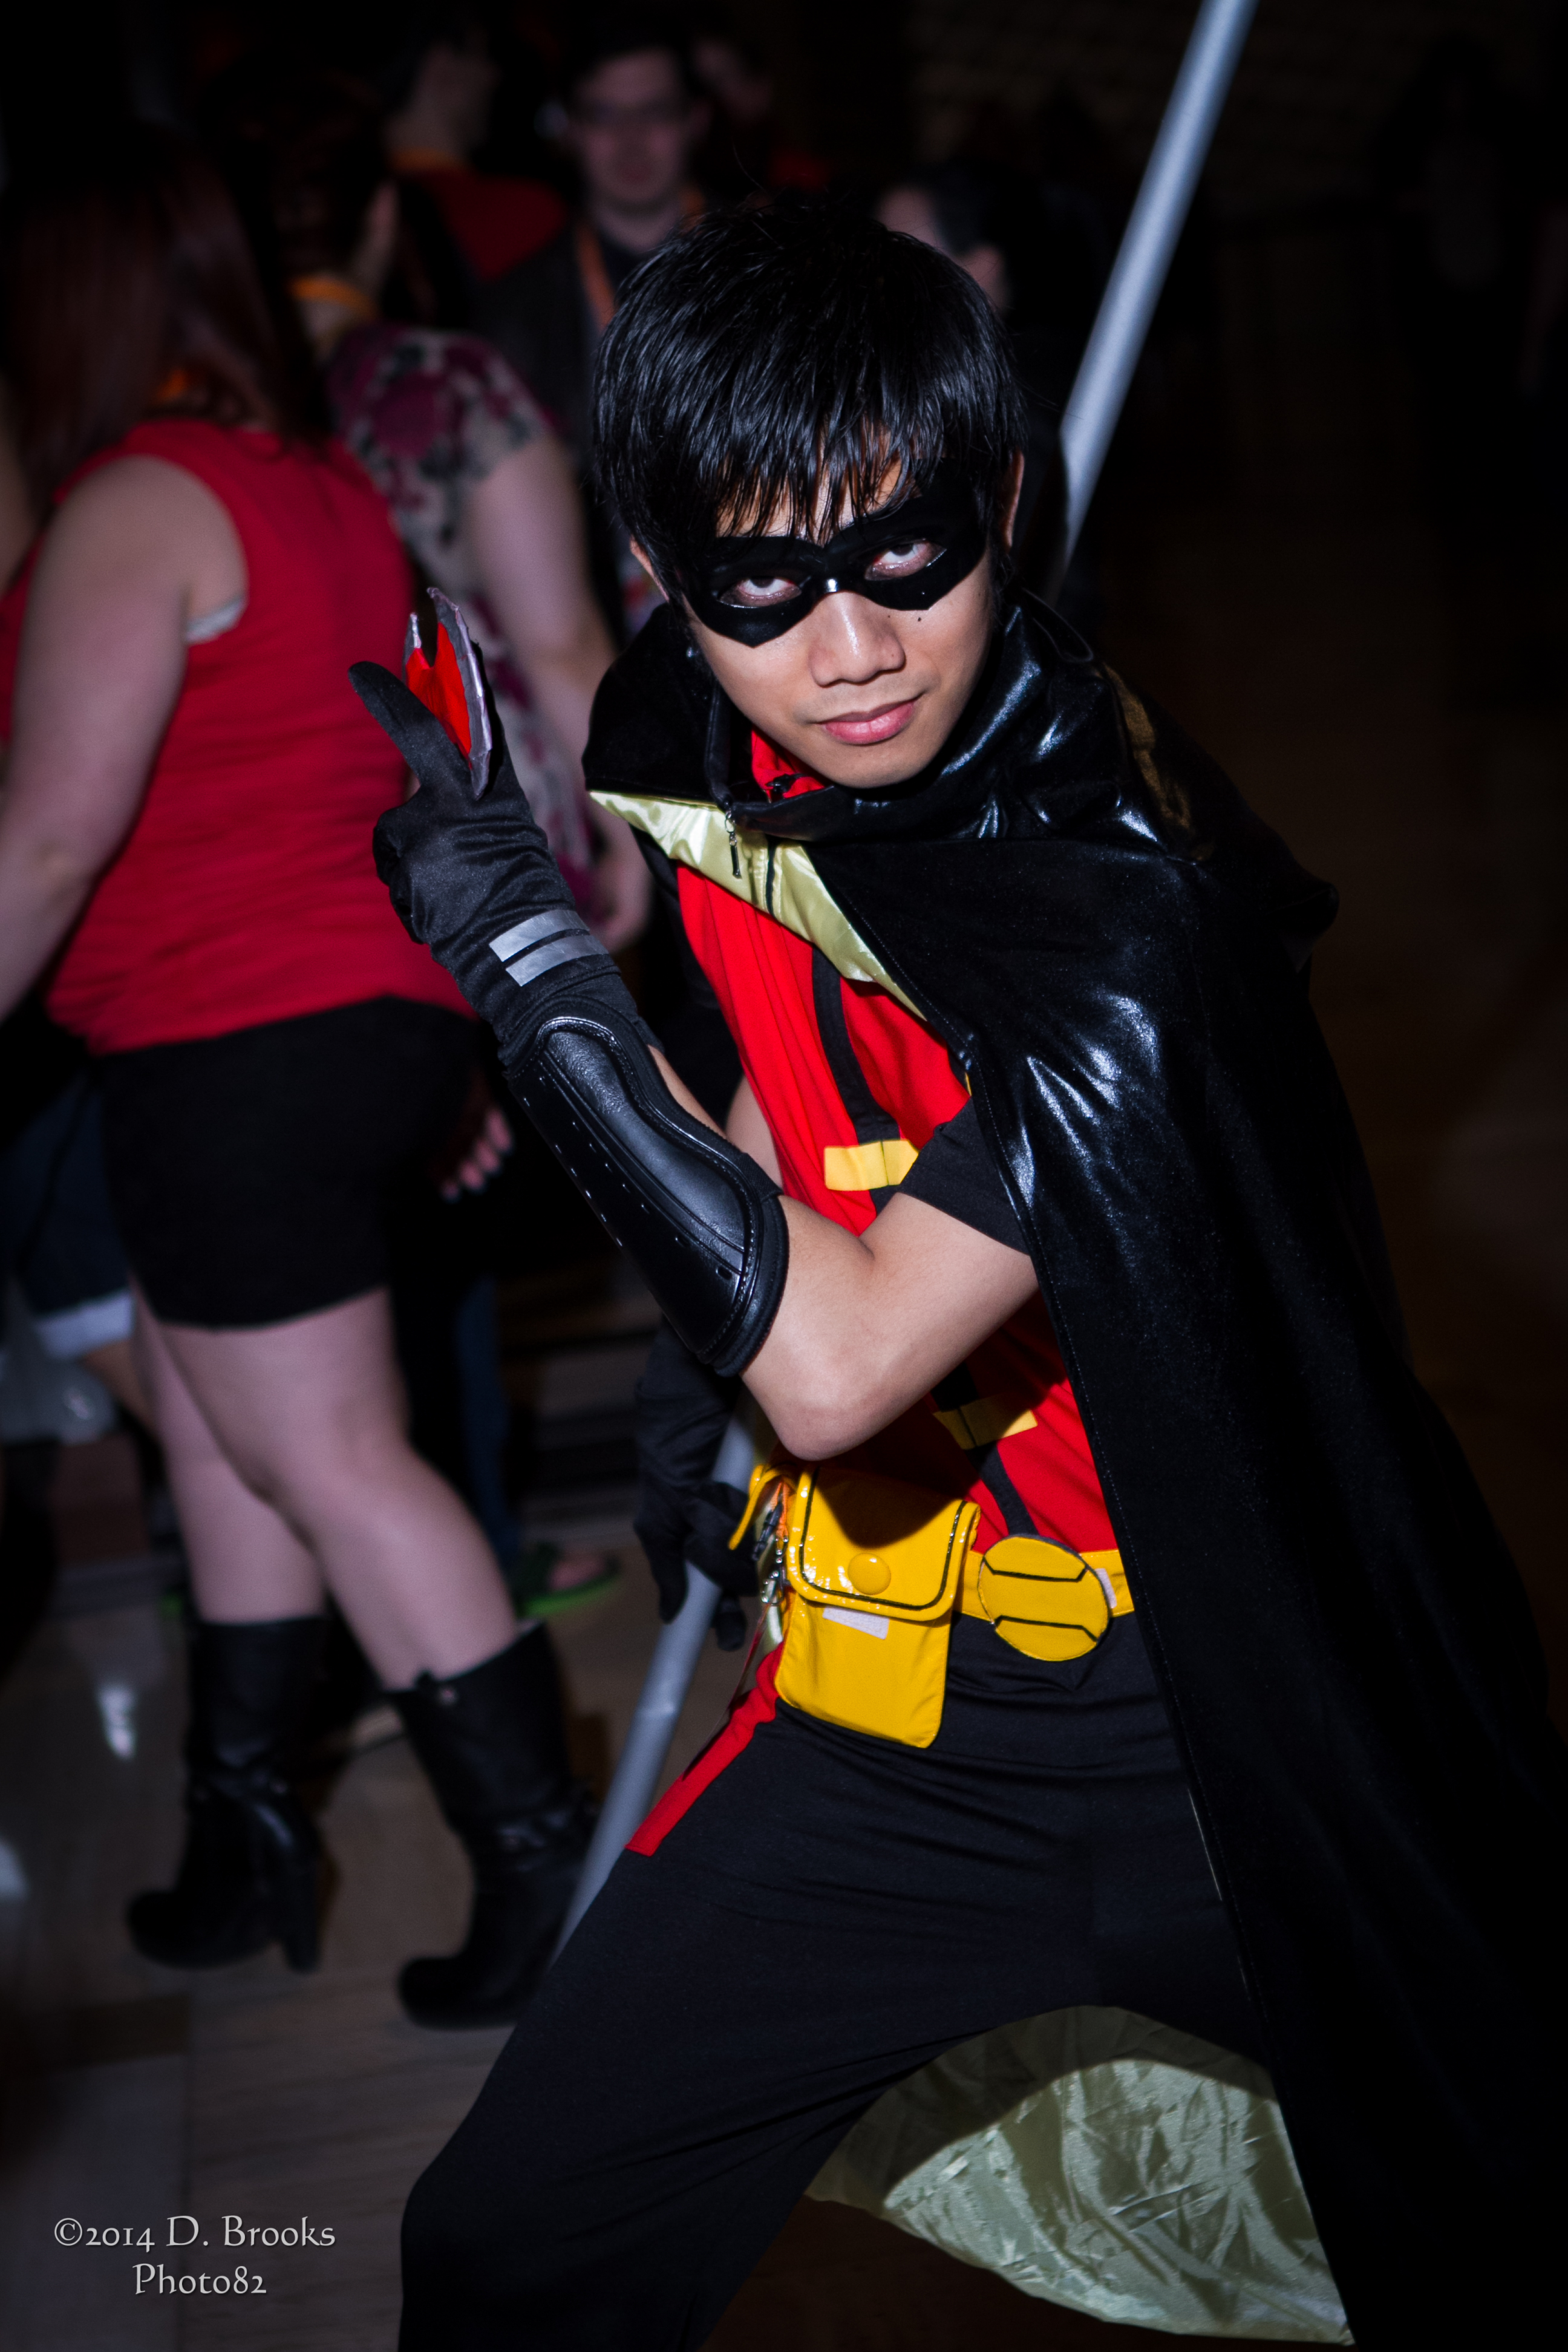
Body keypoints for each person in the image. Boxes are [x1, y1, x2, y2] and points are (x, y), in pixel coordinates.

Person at [357, 200, 1564, 2345]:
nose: (853, 651)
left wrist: (537, 978)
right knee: (507, 2243)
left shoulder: (1132, 925)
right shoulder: (708, 745)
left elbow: (838, 1365)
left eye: (907, 550)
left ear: (1002, 503)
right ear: (659, 568)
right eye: (763, 580)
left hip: (1221, 1722)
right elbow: (782, 1082)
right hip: (905, 1738)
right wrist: (702, 1348)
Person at [0, 127, 594, 2030]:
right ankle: (244, 1836)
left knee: (328, 1455)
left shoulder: (134, 500)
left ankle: (545, 1877)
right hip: (341, 1018)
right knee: (221, 1432)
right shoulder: (314, 480)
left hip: (234, 1033)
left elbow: (48, 842)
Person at [476, 7, 710, 641]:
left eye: (654, 112)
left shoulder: (769, 271)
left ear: (695, 119)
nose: (631, 141)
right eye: (606, 116)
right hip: (602, 629)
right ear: (570, 128)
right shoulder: (511, 314)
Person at [382, 4, 566, 293]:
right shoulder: (523, 216)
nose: (493, 76)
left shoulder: (347, 212)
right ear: (443, 68)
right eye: (481, 55)